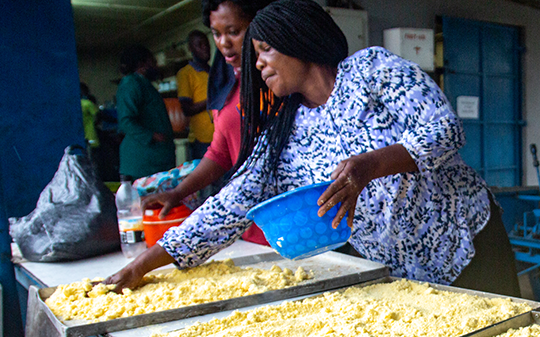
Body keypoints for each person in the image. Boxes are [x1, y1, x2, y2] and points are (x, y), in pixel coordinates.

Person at [106, 0, 520, 297]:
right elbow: (227, 207)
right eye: (254, 57)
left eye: (265, 50)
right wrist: (143, 264)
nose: (258, 65)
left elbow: (444, 130)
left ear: (297, 40)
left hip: (467, 242)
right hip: (401, 275)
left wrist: (368, 166)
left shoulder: (371, 70)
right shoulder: (283, 134)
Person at [141, 0, 273, 246]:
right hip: (250, 228)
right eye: (216, 33)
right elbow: (221, 151)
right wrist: (179, 192)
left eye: (234, 32)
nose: (223, 43)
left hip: (292, 225)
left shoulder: (279, 82)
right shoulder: (226, 85)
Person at [116, 45, 176, 181]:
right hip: (143, 163)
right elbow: (126, 121)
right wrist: (153, 136)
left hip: (156, 160)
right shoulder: (131, 83)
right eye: (152, 62)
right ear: (141, 64)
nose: (156, 66)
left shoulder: (145, 84)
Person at [176, 30, 214, 160]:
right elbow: (187, 109)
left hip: (221, 136)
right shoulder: (186, 74)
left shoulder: (215, 72)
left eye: (206, 44)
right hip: (202, 141)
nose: (205, 48)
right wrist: (213, 99)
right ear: (190, 49)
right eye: (199, 45)